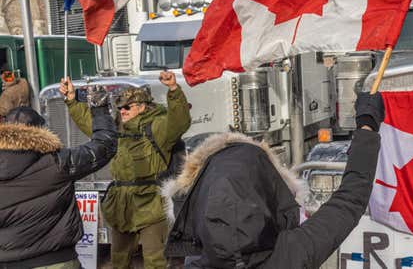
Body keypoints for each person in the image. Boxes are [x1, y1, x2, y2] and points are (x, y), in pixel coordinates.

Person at [163, 92, 384, 268]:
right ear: (269, 193)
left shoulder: (195, 259)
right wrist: (367, 125)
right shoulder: (293, 251)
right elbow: (350, 199)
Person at [61, 71, 191, 269]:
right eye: (120, 107)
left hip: (152, 204)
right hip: (122, 205)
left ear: (142, 107)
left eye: (127, 107)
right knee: (119, 260)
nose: (122, 111)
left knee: (155, 260)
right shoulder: (114, 131)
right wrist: (71, 100)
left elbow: (179, 121)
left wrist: (174, 90)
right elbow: (89, 122)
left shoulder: (157, 127)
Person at [0, 85, 117, 268]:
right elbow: (104, 146)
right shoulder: (57, 163)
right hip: (58, 261)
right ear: (41, 131)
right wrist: (99, 108)